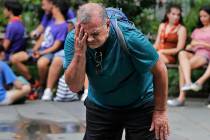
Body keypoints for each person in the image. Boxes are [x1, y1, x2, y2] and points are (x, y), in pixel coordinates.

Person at [64, 3, 169, 140]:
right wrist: (79, 54)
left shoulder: (130, 37)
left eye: (95, 34)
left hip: (140, 103)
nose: (89, 39)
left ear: (107, 25)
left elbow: (160, 70)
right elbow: (74, 86)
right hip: (101, 105)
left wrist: (160, 111)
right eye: (85, 33)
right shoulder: (74, 39)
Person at [11, 0, 69, 96]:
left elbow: (56, 46)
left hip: (49, 52)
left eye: (53, 8)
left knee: (41, 63)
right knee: (15, 58)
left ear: (57, 9)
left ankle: (42, 85)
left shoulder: (64, 25)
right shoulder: (51, 21)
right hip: (39, 50)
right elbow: (42, 37)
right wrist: (35, 49)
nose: (51, 10)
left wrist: (41, 53)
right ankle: (34, 82)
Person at [168, 5, 210, 107]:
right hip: (195, 53)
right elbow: (191, 46)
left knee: (181, 66)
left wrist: (201, 43)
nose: (202, 18)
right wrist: (190, 46)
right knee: (182, 53)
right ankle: (188, 82)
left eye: (205, 16)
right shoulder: (197, 30)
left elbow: (202, 45)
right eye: (201, 16)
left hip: (205, 54)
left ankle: (181, 98)